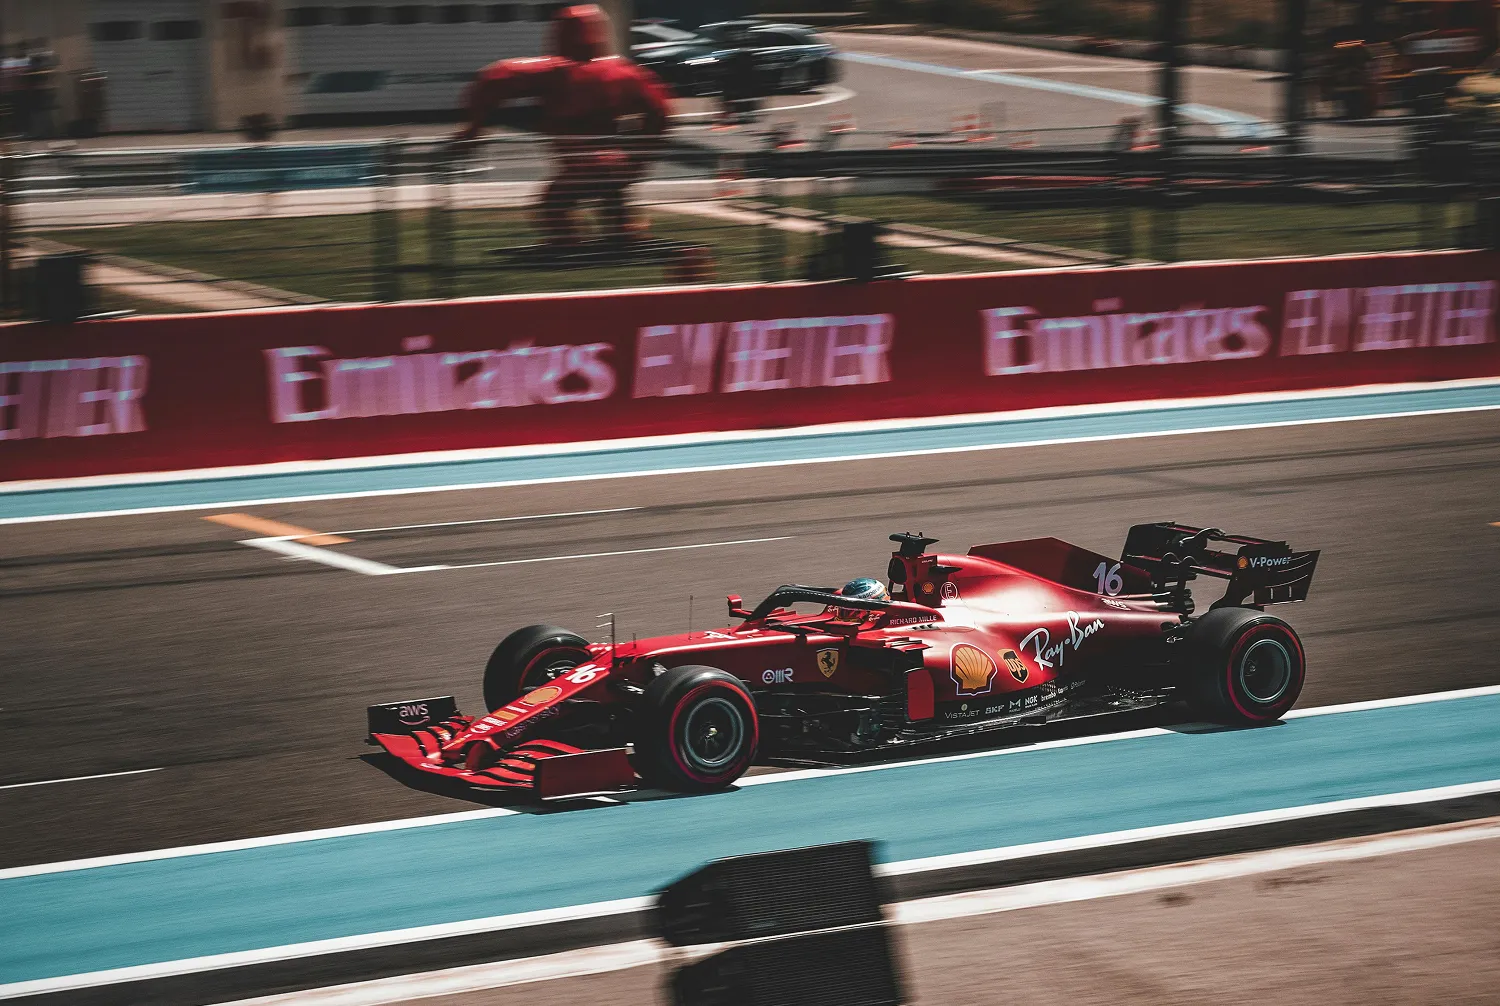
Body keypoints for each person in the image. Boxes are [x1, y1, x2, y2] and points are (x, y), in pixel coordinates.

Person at [456, 4, 671, 246]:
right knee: (613, 203)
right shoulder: (626, 72)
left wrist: (474, 128)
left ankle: (571, 247)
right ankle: (623, 237)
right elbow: (660, 111)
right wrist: (640, 154)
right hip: (619, 162)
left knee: (553, 207)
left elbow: (494, 77)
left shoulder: (555, 71)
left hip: (582, 166)